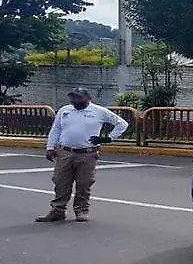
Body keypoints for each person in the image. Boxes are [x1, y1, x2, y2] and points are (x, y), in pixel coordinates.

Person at [34, 88, 130, 223]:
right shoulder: (65, 110)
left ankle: (81, 210)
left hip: (87, 153)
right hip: (65, 152)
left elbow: (122, 123)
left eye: (79, 98)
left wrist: (108, 138)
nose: (75, 101)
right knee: (60, 182)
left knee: (84, 183)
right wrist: (50, 147)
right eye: (73, 98)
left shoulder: (99, 111)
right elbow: (56, 129)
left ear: (88, 98)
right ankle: (57, 211)